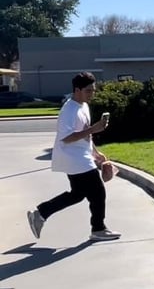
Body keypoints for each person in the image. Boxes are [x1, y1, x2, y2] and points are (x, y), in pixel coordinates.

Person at [27, 72, 122, 242]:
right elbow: (67, 137)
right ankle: (98, 229)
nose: (92, 94)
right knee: (98, 192)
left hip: (82, 156)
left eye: (93, 90)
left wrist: (95, 152)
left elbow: (85, 134)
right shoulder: (68, 111)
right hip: (73, 158)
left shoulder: (83, 106)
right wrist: (94, 129)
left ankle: (40, 214)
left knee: (77, 194)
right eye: (88, 91)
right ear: (76, 90)